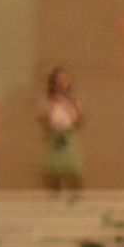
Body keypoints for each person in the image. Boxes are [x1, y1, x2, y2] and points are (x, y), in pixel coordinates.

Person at [40, 65, 86, 196]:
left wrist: (70, 103)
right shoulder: (47, 101)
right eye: (59, 80)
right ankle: (54, 199)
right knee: (54, 175)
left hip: (69, 137)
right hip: (54, 138)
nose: (62, 84)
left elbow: (79, 122)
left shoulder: (73, 100)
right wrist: (53, 102)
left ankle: (76, 201)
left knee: (74, 173)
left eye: (65, 80)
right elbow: (43, 120)